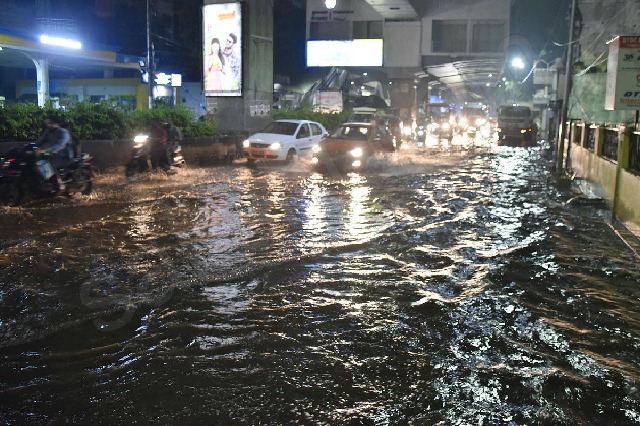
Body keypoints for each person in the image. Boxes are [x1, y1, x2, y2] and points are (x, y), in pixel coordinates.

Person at [35, 113, 75, 192]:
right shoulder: (48, 131)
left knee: (49, 164)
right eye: (46, 123)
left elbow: (60, 145)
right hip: (54, 155)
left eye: (50, 123)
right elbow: (39, 141)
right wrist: (30, 147)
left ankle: (60, 184)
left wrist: (45, 150)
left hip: (65, 156)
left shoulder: (63, 132)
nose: (48, 125)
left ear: (56, 123)